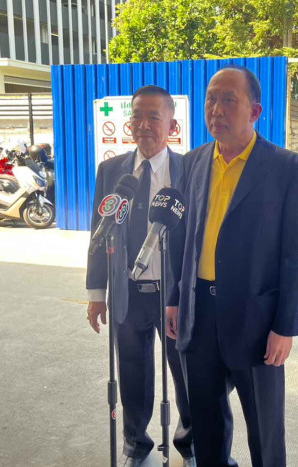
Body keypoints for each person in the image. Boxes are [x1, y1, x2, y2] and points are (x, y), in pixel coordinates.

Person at [165, 66, 298, 467]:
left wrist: (286, 326)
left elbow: (297, 254)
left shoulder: (286, 168)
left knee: (265, 429)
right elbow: (181, 237)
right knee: (207, 424)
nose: (216, 109)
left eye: (228, 99)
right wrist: (176, 299)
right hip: (200, 313)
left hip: (257, 319)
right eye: (211, 99)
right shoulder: (192, 162)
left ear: (255, 111)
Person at [86, 85, 195, 467]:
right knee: (132, 375)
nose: (144, 125)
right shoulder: (111, 172)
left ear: (172, 125)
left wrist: (189, 294)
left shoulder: (189, 170)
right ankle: (136, 445)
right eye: (137, 116)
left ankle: (190, 445)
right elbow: (99, 231)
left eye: (153, 117)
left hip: (174, 295)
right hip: (127, 293)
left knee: (186, 375)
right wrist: (96, 292)